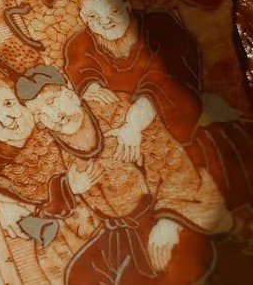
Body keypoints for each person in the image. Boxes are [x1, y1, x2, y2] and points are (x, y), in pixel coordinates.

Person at [20, 65, 231, 284]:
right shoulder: (48, 146)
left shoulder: (116, 110)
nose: (53, 116)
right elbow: (34, 189)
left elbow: (171, 162)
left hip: (160, 213)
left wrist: (168, 222)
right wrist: (68, 187)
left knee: (183, 266)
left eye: (52, 101)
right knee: (78, 277)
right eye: (40, 114)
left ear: (69, 92)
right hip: (117, 233)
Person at [65, 0, 253, 209]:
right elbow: (79, 73)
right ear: (85, 21)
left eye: (113, 11)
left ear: (127, 5)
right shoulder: (82, 45)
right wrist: (90, 87)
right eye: (94, 17)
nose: (105, 21)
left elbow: (170, 76)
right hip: (127, 142)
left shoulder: (160, 25)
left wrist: (134, 124)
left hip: (180, 120)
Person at [0, 76, 93, 283]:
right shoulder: (3, 165)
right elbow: (16, 194)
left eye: (8, 103)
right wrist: (2, 205)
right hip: (63, 238)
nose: (6, 120)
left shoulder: (56, 119)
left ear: (22, 99)